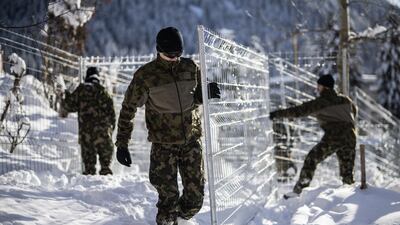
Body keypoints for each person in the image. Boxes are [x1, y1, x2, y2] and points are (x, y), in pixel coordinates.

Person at [115, 27, 220, 225]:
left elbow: (194, 99)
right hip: (164, 147)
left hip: (191, 142)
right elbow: (128, 109)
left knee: (195, 200)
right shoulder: (146, 76)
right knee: (168, 202)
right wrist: (122, 144)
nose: (174, 58)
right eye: (169, 54)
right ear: (159, 50)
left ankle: (180, 221)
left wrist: (205, 93)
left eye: (177, 54)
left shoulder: (190, 67)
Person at [269, 74, 357, 199]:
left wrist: (277, 114)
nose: (317, 89)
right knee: (347, 172)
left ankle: (299, 191)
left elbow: (299, 111)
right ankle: (351, 196)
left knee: (312, 159)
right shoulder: (346, 100)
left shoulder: (321, 102)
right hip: (351, 135)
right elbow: (354, 111)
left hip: (335, 135)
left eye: (319, 86)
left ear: (325, 87)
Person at [60, 67, 116, 175]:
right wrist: (110, 131)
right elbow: (112, 116)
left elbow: (68, 106)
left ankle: (88, 187)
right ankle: (108, 186)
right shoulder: (103, 92)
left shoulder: (81, 90)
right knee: (106, 168)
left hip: (87, 135)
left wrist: (67, 94)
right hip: (103, 134)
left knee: (89, 170)